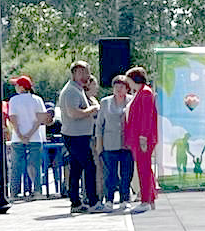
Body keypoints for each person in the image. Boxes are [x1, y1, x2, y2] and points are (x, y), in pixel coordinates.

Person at [58, 60, 104, 214]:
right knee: (90, 167)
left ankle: (76, 202)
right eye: (82, 72)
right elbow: (73, 113)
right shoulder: (71, 91)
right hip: (75, 136)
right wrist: (92, 109)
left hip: (79, 135)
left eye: (87, 72)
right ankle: (93, 202)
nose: (86, 76)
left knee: (76, 169)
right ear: (74, 74)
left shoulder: (77, 89)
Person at [123, 66, 159, 213]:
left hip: (143, 138)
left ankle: (146, 200)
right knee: (144, 168)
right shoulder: (141, 92)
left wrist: (143, 136)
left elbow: (146, 116)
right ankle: (150, 199)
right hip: (138, 137)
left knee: (143, 169)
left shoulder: (145, 93)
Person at [96, 75, 133, 208]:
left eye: (122, 86)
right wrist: (99, 144)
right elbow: (99, 125)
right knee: (110, 174)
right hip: (109, 143)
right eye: (116, 86)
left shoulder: (132, 101)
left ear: (127, 89)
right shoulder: (105, 102)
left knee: (126, 173)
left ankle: (125, 199)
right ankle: (109, 199)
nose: (119, 89)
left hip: (127, 143)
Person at [7, 75, 46, 199]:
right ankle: (37, 191)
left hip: (18, 138)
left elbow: (13, 118)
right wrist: (30, 134)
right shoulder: (37, 99)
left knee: (16, 166)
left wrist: (20, 134)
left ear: (21, 87)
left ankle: (14, 192)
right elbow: (40, 118)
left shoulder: (14, 100)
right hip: (35, 137)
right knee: (35, 165)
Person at [42, 102, 65, 197]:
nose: (49, 115)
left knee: (57, 167)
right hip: (44, 152)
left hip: (57, 151)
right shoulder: (40, 125)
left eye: (51, 113)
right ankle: (42, 190)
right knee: (43, 167)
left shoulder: (58, 124)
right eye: (47, 112)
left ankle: (59, 189)